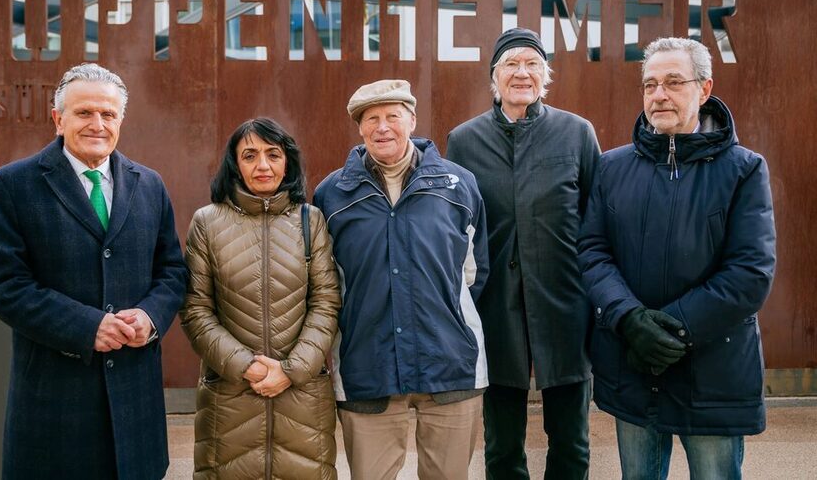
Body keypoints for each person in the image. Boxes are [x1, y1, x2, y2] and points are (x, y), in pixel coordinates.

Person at [578, 37, 776, 479]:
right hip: (632, 365)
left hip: (712, 371)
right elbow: (593, 251)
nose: (659, 95)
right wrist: (629, 320)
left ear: (704, 89)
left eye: (672, 82)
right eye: (649, 85)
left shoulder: (743, 170)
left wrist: (672, 330)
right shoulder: (612, 168)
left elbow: (750, 273)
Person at [0, 63, 187, 479]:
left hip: (134, 408)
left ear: (121, 121)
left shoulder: (149, 184)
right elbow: (2, 284)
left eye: (108, 114)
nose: (98, 124)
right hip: (55, 408)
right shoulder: (15, 184)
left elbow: (172, 271)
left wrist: (150, 316)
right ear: (58, 119)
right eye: (84, 112)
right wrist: (87, 326)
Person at [313, 79, 490, 480]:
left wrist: (443, 315)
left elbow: (475, 272)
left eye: (393, 116)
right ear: (359, 128)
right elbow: (326, 282)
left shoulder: (458, 185)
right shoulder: (332, 194)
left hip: (449, 360)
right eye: (371, 118)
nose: (383, 127)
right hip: (367, 364)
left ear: (412, 119)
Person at [446, 28, 600, 479]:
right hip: (495, 308)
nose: (521, 73)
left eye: (532, 64)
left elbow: (595, 220)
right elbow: (458, 227)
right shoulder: (464, 140)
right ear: (494, 77)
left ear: (544, 76)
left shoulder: (576, 133)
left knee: (572, 441)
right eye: (511, 64)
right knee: (502, 444)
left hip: (566, 303)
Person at [180, 118, 340, 479]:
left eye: (273, 154)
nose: (263, 165)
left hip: (302, 399)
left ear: (288, 162)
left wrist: (291, 370)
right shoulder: (207, 222)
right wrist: (246, 366)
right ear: (234, 163)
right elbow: (195, 310)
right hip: (231, 396)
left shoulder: (309, 220)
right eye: (250, 155)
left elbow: (326, 302)